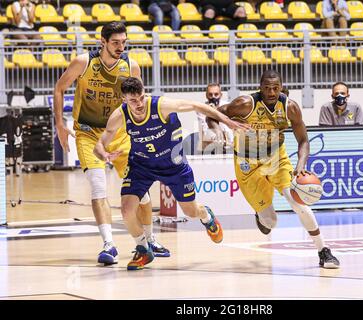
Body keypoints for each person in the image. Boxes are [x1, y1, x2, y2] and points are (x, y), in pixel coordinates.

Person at [94, 77, 249, 270]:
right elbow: (99, 144)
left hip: (173, 165)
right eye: (133, 101)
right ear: (124, 100)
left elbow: (195, 105)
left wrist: (226, 120)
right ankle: (143, 249)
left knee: (191, 212)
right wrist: (104, 154)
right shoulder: (119, 115)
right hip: (141, 165)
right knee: (126, 210)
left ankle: (206, 216)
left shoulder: (161, 106)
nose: (139, 104)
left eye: (141, 98)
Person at [53, 22, 170, 266]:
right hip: (87, 133)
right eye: (115, 42)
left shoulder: (131, 66)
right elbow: (60, 88)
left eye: (124, 42)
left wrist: (145, 132)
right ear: (102, 42)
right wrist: (60, 125)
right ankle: (108, 244)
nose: (120, 46)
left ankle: (150, 240)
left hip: (120, 135)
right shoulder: (83, 63)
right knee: (98, 186)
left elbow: (139, 102)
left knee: (142, 193)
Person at [207, 70, 340, 269]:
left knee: (299, 203)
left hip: (277, 158)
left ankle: (323, 250)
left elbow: (303, 140)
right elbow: (212, 115)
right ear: (260, 87)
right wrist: (218, 130)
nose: (271, 92)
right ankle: (260, 215)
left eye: (275, 88)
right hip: (247, 164)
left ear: (281, 87)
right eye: (267, 88)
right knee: (270, 223)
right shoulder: (244, 104)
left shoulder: (290, 108)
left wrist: (300, 166)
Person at [197, 83, 233, 153]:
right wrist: (211, 113)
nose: (213, 97)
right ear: (206, 95)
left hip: (228, 144)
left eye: (216, 94)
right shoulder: (201, 109)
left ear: (221, 95)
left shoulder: (227, 106)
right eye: (210, 94)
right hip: (210, 144)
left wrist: (216, 112)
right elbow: (205, 130)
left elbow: (228, 128)